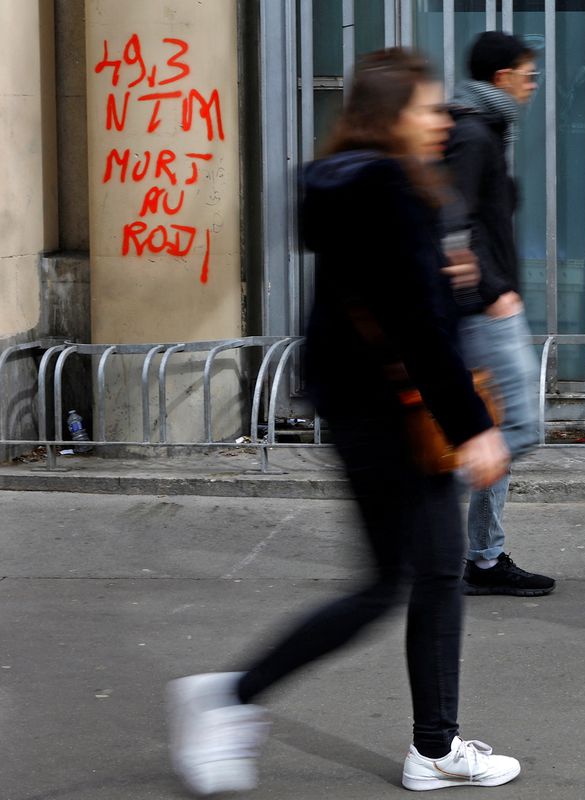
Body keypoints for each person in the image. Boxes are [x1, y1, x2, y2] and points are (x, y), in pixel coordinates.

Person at [165, 49, 521, 794]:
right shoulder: (390, 190)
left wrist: (448, 282)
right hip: (392, 414)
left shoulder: (351, 186)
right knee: (391, 581)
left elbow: (395, 304)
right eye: (428, 108)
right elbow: (415, 325)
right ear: (391, 118)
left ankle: (435, 746)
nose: (442, 120)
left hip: (370, 405)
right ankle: (229, 697)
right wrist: (472, 426)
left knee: (436, 572)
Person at [444, 31, 555, 597]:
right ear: (500, 77)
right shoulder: (471, 134)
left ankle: (484, 560)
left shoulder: (485, 128)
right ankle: (420, 506)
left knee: (488, 427)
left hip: (486, 305)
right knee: (520, 428)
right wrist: (490, 289)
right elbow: (451, 216)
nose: (533, 85)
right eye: (527, 74)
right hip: (485, 310)